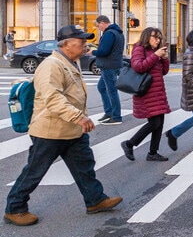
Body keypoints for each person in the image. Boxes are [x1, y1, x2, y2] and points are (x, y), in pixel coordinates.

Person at [4, 25, 122, 226]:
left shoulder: (70, 61)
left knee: (84, 166)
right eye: (81, 42)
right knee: (34, 171)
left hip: (71, 129)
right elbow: (52, 97)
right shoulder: (52, 65)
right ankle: (14, 208)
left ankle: (95, 200)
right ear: (66, 44)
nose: (85, 45)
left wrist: (78, 120)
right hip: (51, 130)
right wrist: (79, 117)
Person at [121, 27, 171, 162]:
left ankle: (153, 153)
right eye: (155, 37)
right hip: (146, 93)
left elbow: (163, 71)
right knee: (154, 123)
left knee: (159, 123)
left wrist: (164, 59)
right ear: (147, 37)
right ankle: (129, 144)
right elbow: (138, 66)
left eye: (159, 37)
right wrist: (156, 56)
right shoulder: (139, 49)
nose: (158, 40)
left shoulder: (156, 52)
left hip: (157, 92)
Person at [93, 15, 125, 126]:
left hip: (108, 66)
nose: (99, 28)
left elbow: (104, 51)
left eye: (98, 26)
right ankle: (109, 112)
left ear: (102, 23)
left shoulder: (109, 34)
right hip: (113, 65)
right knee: (102, 87)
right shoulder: (118, 33)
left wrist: (92, 52)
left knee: (111, 91)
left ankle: (116, 116)